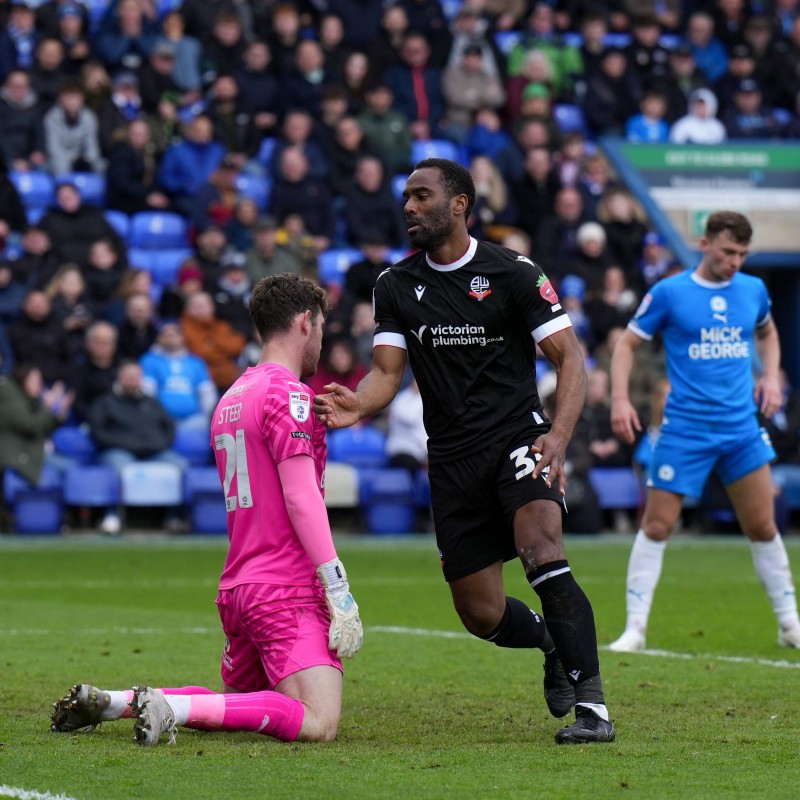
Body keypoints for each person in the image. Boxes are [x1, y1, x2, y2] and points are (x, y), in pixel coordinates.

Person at [313, 158, 614, 744]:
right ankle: (550, 642)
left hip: (519, 439)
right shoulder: (394, 285)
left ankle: (594, 709)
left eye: (421, 196)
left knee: (541, 548)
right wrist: (358, 405)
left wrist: (557, 435)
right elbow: (386, 372)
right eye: (405, 198)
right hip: (451, 459)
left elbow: (570, 358)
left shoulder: (514, 273)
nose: (408, 207)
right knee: (479, 613)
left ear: (459, 204)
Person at [51, 273, 363, 746]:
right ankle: (172, 706)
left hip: (240, 588)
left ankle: (119, 701)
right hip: (285, 587)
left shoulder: (231, 397)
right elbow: (300, 497)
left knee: (237, 703)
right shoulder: (290, 393)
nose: (321, 337)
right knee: (318, 720)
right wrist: (337, 587)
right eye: (320, 325)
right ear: (305, 322)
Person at [608, 211, 800, 653]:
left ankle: (789, 625)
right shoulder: (671, 293)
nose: (735, 261)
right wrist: (620, 399)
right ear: (705, 243)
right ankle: (635, 629)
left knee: (762, 525)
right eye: (729, 251)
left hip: (740, 429)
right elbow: (627, 344)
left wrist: (771, 376)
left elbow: (768, 333)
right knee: (657, 525)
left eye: (743, 254)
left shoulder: (753, 289)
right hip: (685, 430)